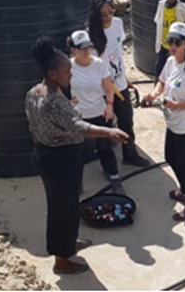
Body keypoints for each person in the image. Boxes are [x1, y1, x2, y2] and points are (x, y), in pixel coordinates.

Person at [25, 36, 128, 275]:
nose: (70, 75)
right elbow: (80, 127)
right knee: (61, 210)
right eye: (66, 71)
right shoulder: (54, 101)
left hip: (47, 156)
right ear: (52, 74)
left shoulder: (34, 93)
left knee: (69, 205)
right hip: (59, 162)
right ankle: (62, 259)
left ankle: (69, 243)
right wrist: (110, 131)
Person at [143, 22, 185, 221]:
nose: (172, 46)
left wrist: (176, 105)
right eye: (169, 41)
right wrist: (153, 95)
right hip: (173, 124)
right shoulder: (171, 61)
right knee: (171, 157)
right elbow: (162, 82)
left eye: (177, 42)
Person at [88, 0, 150, 167]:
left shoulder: (117, 24)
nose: (108, 17)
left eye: (110, 12)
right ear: (96, 15)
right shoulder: (91, 37)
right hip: (102, 90)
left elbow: (118, 53)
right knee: (106, 129)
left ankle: (130, 154)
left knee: (126, 121)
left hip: (119, 84)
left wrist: (124, 77)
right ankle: (109, 167)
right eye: (103, 14)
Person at [67, 30, 124, 194]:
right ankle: (76, 184)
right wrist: (67, 102)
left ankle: (114, 177)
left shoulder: (99, 64)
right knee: (78, 151)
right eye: (82, 48)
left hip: (99, 113)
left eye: (88, 47)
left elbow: (108, 88)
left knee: (105, 147)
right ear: (74, 50)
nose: (87, 51)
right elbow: (58, 87)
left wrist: (109, 105)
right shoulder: (68, 66)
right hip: (79, 116)